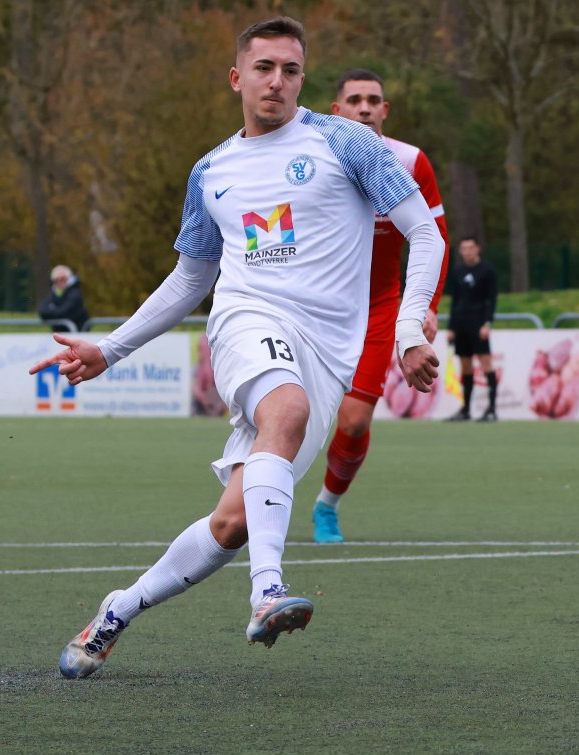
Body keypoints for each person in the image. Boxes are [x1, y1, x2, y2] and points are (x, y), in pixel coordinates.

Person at [28, 16, 444, 679]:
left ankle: (116, 610)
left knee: (232, 523)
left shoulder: (347, 143)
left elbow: (427, 234)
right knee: (286, 408)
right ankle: (268, 591)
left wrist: (405, 327)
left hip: (327, 354)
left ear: (304, 79)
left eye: (290, 70)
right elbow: (193, 277)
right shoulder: (211, 171)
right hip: (247, 321)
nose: (276, 81)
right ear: (236, 78)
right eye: (263, 68)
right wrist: (112, 348)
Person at [310, 68, 450, 544]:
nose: (364, 107)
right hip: (314, 309)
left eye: (373, 100)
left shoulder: (410, 161)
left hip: (379, 309)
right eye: (354, 100)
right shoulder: (310, 158)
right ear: (337, 111)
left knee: (352, 421)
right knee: (286, 420)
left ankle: (327, 506)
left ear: (385, 110)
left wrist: (426, 305)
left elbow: (436, 238)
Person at [446, 236, 498, 422]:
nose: (467, 251)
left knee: (485, 363)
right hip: (461, 325)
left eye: (470, 247)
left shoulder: (487, 271)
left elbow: (491, 300)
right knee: (465, 366)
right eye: (464, 248)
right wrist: (451, 327)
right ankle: (466, 409)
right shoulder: (458, 271)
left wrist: (487, 323)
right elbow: (455, 300)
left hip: (478, 324)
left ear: (478, 248)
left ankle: (492, 409)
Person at [38, 264, 89, 332]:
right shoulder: (55, 293)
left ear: (69, 279)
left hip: (77, 334)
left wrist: (52, 311)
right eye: (57, 280)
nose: (60, 282)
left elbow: (62, 312)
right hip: (61, 334)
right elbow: (42, 311)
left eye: (62, 279)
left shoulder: (75, 294)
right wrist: (56, 312)